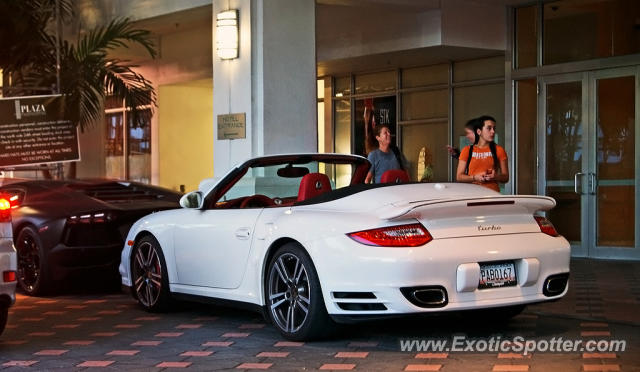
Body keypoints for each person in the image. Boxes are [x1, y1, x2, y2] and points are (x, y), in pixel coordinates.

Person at [456, 115, 509, 192]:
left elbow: (506, 177)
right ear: (479, 131)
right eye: (489, 128)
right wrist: (474, 177)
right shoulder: (467, 150)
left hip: (493, 195)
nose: (493, 131)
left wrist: (496, 176)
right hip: (472, 195)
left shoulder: (499, 150)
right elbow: (459, 177)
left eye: (494, 128)